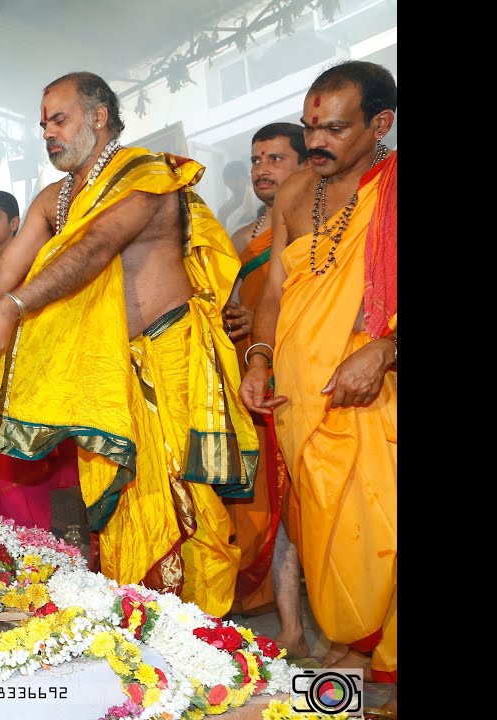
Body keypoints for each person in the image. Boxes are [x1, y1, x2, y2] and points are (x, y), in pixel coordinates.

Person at [0, 71, 258, 617]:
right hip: (108, 375)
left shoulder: (146, 175)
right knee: (118, 518)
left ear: (97, 117)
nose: (47, 132)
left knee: (184, 510)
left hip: (168, 361)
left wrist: (15, 308)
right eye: (43, 123)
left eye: (59, 119)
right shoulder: (55, 198)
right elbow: (4, 273)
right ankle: (147, 635)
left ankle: (204, 634)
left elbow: (96, 247)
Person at [239, 60, 397, 712]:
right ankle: (351, 657)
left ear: (379, 124)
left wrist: (387, 348)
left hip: (374, 394)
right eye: (310, 127)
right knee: (324, 543)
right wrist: (257, 359)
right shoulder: (295, 193)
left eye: (333, 129)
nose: (316, 143)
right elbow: (274, 293)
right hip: (301, 400)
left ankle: (367, 665)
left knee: (379, 532)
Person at [221, 123, 310, 659]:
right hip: (256, 381)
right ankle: (294, 630)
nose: (262, 169)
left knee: (312, 508)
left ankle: (350, 629)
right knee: (270, 510)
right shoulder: (239, 238)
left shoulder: (319, 222)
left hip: (310, 374)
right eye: (256, 160)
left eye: (276, 158)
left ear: (304, 163)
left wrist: (266, 320)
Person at [0, 190, 78, 531]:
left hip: (22, 377)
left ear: (16, 223)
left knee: (18, 457)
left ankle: (34, 547)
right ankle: (5, 544)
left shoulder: (36, 266)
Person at [216, 159, 260, 232]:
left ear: (246, 178)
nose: (233, 185)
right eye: (230, 181)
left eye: (237, 180)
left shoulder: (256, 200)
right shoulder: (224, 210)